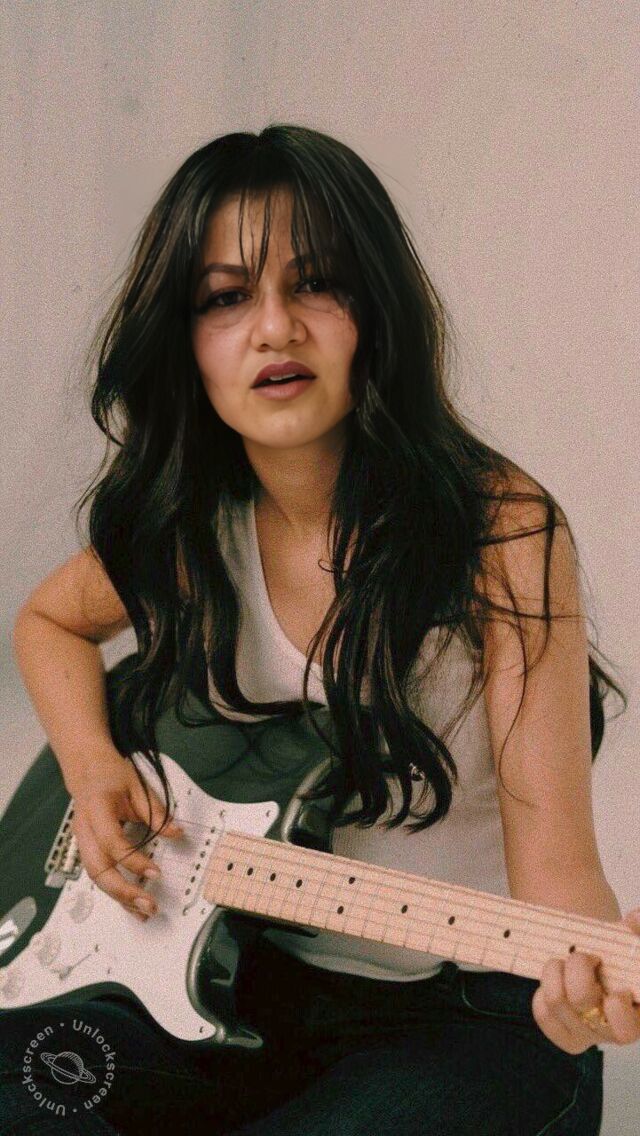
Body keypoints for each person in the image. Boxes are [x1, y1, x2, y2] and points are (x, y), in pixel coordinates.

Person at [3, 123, 639, 1136]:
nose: (274, 328)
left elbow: (556, 864)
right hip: (243, 985)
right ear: (186, 342)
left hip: (468, 1015)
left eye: (316, 285)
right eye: (225, 297)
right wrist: (90, 768)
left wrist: (585, 981)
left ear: (374, 314)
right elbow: (48, 621)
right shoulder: (191, 524)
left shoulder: (502, 532)